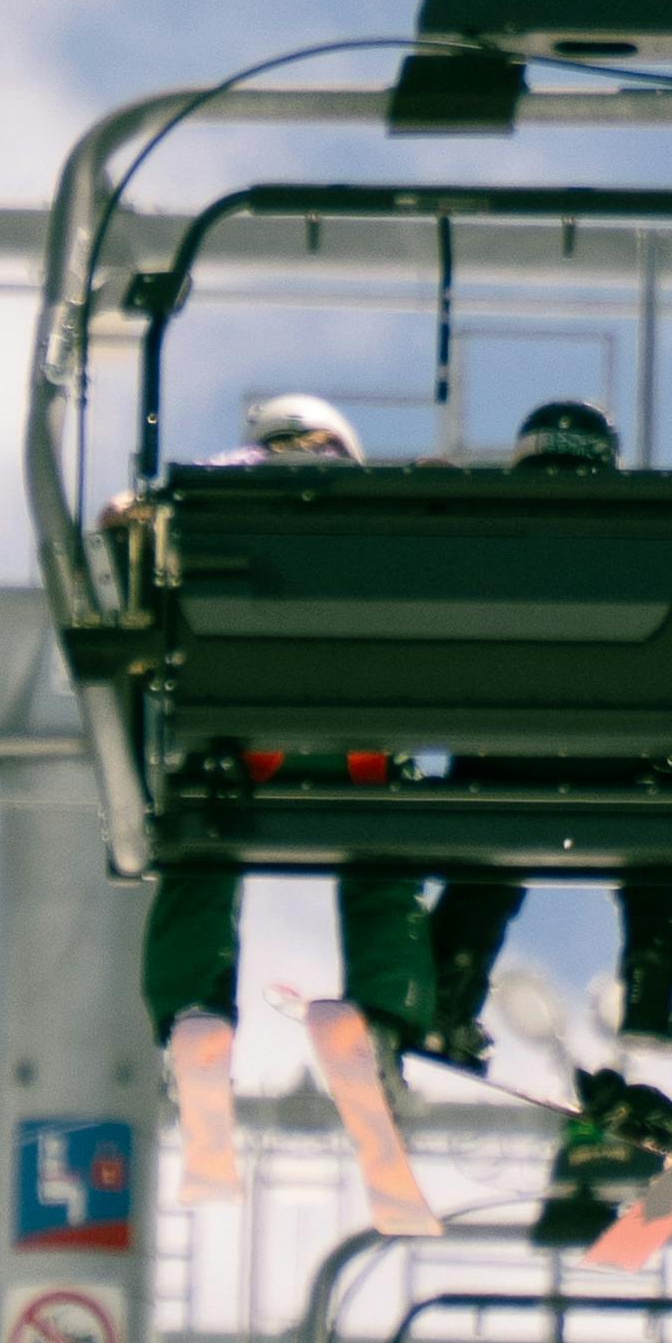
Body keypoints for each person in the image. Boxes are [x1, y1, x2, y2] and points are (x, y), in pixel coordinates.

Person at [139, 395, 436, 1064]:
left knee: (200, 848)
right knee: (385, 860)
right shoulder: (381, 499)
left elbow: (137, 519)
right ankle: (384, 1019)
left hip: (245, 747)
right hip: (363, 751)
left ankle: (194, 1013)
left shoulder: (217, 487)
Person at [419, 394, 626, 1076]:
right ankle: (650, 986)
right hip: (612, 762)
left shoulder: (482, 527)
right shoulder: (637, 530)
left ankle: (442, 992)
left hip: (496, 756)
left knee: (490, 853)